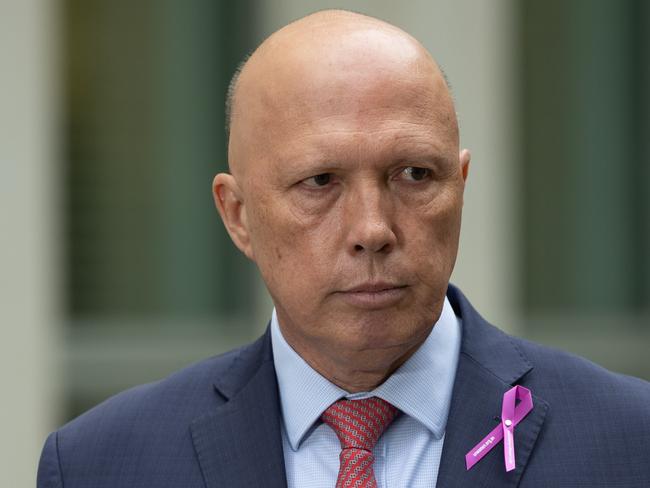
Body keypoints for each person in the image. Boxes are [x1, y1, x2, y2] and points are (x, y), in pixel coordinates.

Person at [38, 10, 649, 488]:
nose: (372, 228)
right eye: (320, 182)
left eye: (413, 174)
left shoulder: (630, 442)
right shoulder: (102, 465)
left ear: (460, 187)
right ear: (238, 215)